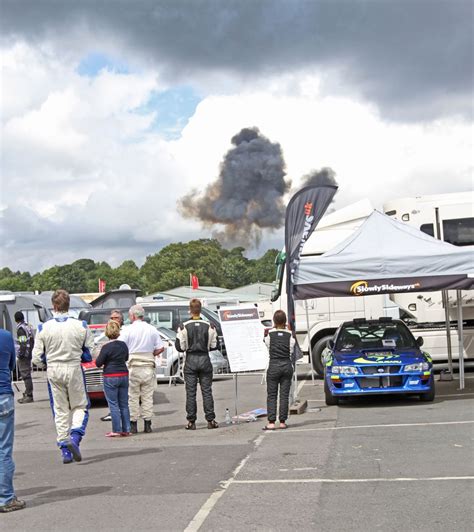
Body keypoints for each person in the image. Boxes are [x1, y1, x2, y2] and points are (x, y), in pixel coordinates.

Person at [32, 289, 94, 464]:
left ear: (53, 306)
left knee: (59, 410)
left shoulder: (43, 328)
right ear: (69, 305)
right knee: (80, 406)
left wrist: (46, 364)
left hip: (53, 369)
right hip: (74, 368)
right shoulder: (80, 325)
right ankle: (75, 437)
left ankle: (65, 450)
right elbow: (90, 351)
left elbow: (36, 358)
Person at [119, 304, 164, 434]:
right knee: (147, 396)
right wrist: (151, 354)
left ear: (133, 316)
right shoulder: (151, 329)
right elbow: (160, 347)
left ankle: (133, 423)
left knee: (133, 396)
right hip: (148, 365)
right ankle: (147, 423)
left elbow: (121, 346)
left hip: (133, 365)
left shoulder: (127, 330)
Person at [175, 298, 218, 430]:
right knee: (207, 391)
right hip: (204, 359)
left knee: (191, 392)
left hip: (191, 360)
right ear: (200, 310)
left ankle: (191, 421)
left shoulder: (183, 326)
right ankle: (210, 420)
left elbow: (179, 347)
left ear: (190, 310)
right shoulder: (209, 326)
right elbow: (214, 345)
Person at [0, 329, 26, 513]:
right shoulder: (6, 336)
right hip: (2, 396)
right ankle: (5, 498)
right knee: (3, 450)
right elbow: (11, 366)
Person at [96, 320, 131, 437]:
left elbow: (98, 363)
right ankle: (126, 429)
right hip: (123, 374)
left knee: (113, 404)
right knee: (124, 404)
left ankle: (116, 429)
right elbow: (126, 358)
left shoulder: (106, 347)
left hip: (110, 375)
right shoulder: (123, 345)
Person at [263, 310, 295, 430]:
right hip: (286, 364)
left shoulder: (269, 335)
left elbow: (267, 345)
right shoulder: (290, 335)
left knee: (272, 395)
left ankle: (271, 422)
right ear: (285, 321)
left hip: (274, 364)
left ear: (274, 321)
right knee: (284, 395)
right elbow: (291, 350)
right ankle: (282, 421)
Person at [100, 310, 124, 423]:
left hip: (116, 371)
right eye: (112, 318)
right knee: (116, 400)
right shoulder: (109, 331)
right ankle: (124, 426)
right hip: (119, 370)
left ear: (121, 319)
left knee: (119, 400)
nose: (113, 320)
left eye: (116, 317)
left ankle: (118, 428)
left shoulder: (125, 332)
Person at [14, 311, 34, 404]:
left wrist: (21, 354)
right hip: (28, 354)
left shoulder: (21, 330)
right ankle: (27, 393)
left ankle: (29, 395)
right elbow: (32, 340)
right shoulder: (27, 327)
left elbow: (23, 343)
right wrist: (30, 352)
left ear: (16, 319)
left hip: (24, 355)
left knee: (25, 375)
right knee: (27, 374)